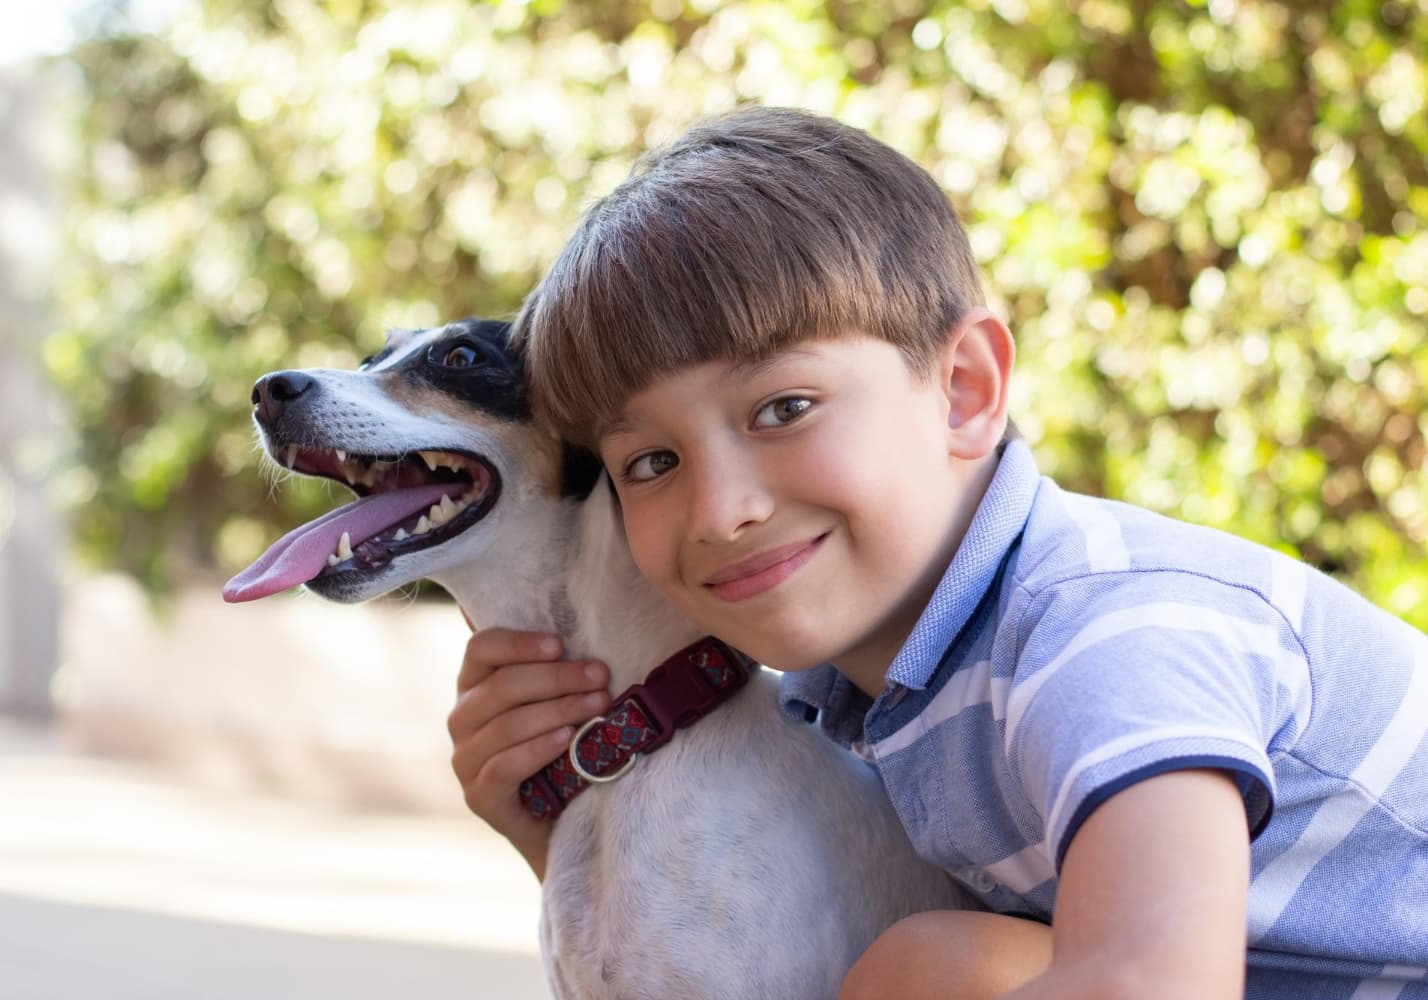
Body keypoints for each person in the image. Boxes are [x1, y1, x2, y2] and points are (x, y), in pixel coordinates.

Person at [446, 107, 1428, 999]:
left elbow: (1147, 987)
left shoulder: (1104, 633)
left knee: (936, 970)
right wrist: (571, 828)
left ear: (962, 388)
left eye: (782, 408)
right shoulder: (866, 699)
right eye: (652, 460)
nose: (721, 509)